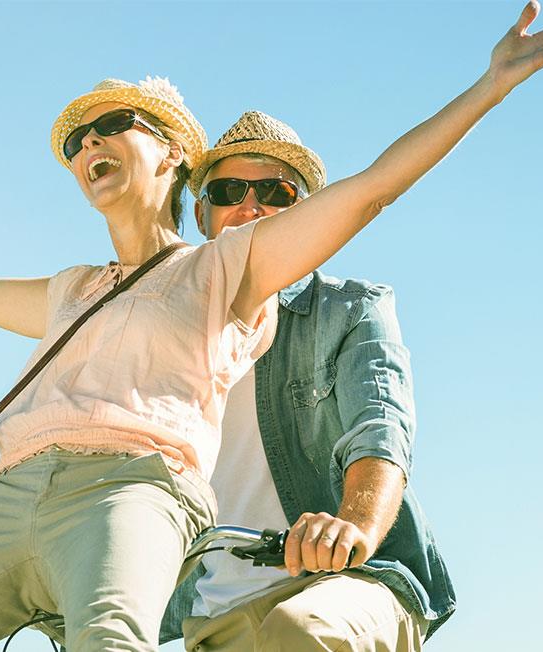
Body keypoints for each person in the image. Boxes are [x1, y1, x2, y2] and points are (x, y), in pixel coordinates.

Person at [0, 2, 543, 649]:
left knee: (158, 639)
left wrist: (489, 86)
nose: (89, 141)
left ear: (172, 153)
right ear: (203, 189)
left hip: (158, 504)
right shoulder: (76, 289)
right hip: (22, 504)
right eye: (77, 139)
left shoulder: (230, 273)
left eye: (114, 122)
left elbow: (368, 196)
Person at [157, 110, 452, 652]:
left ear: (307, 213)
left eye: (275, 190)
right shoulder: (164, 332)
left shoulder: (350, 309)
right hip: (214, 612)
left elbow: (379, 430)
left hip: (346, 584)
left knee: (299, 633)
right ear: (202, 215)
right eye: (228, 190)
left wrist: (354, 526)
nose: (250, 206)